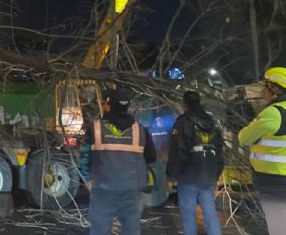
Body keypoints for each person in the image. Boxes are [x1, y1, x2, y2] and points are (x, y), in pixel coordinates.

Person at [80, 88, 157, 235]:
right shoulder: (140, 130)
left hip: (103, 191)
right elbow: (151, 157)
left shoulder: (95, 128)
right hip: (131, 192)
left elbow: (84, 157)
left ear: (108, 105)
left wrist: (87, 180)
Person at [239, 67, 286, 235]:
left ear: (275, 89)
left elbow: (244, 138)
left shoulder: (274, 113)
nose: (262, 90)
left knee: (281, 228)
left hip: (277, 182)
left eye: (265, 86)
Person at [167, 91, 223, 235]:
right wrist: (216, 173)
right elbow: (219, 151)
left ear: (184, 104)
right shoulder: (213, 123)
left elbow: (177, 152)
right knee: (209, 210)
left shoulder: (183, 123)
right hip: (208, 174)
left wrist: (172, 175)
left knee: (188, 213)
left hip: (188, 175)